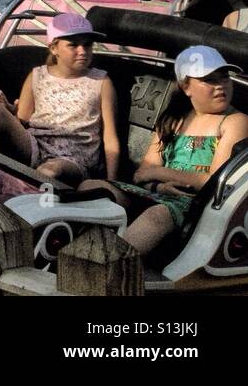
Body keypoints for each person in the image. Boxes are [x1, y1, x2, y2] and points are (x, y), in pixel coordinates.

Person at [79, 45, 248, 256]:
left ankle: (106, 268)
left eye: (224, 77)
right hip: (158, 193)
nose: (221, 86)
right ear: (186, 86)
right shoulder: (172, 120)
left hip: (196, 204)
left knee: (157, 216)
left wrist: (159, 173)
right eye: (209, 79)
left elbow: (213, 182)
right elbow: (141, 174)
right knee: (90, 186)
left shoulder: (234, 121)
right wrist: (159, 187)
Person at [0, 12, 121, 185]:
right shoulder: (37, 76)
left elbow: (110, 137)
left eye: (87, 45)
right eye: (73, 45)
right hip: (36, 144)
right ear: (54, 48)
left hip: (75, 158)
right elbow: (23, 121)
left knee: (50, 171)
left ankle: (22, 196)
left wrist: (111, 182)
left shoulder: (101, 81)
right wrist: (10, 111)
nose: (82, 51)